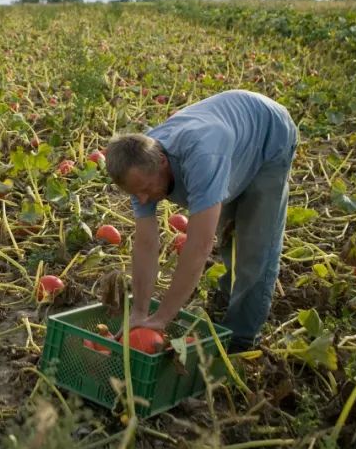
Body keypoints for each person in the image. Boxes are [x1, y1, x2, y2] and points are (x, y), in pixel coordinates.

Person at [104, 89, 298, 353]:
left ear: (162, 161)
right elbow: (146, 244)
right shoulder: (139, 170)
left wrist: (162, 318)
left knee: (255, 245)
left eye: (146, 189)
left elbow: (199, 246)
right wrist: (139, 311)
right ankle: (226, 301)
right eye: (135, 193)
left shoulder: (203, 157)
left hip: (269, 133)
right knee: (229, 232)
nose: (142, 198)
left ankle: (241, 338)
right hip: (230, 136)